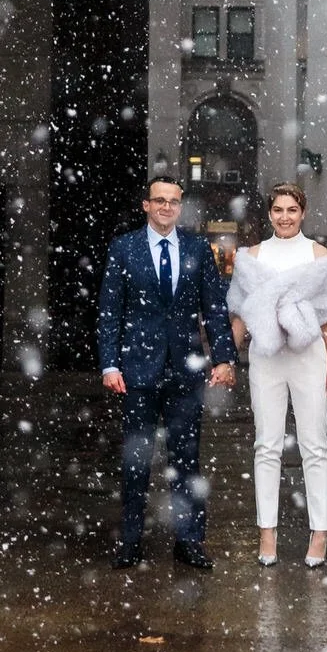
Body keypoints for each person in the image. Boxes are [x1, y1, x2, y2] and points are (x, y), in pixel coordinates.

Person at [97, 173, 236, 569]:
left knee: (187, 460)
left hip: (185, 370)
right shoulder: (124, 249)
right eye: (159, 201)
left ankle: (189, 541)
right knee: (137, 459)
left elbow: (215, 308)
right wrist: (110, 363)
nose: (166, 208)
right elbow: (110, 311)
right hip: (136, 371)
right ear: (146, 205)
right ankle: (130, 541)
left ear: (180, 206)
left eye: (173, 202)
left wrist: (223, 358)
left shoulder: (197, 248)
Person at [227, 182, 327, 568]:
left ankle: (320, 532)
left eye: (291, 210)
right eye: (278, 210)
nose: (284, 217)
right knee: (267, 446)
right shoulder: (252, 257)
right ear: (269, 213)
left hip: (309, 357)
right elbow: (241, 315)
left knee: (315, 446)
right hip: (266, 358)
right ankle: (267, 531)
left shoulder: (320, 256)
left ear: (303, 212)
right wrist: (227, 359)